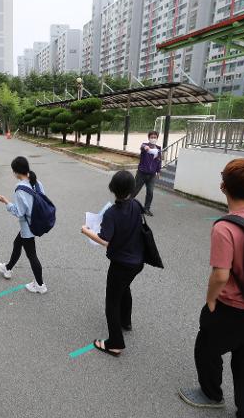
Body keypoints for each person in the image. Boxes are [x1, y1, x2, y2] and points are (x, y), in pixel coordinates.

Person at [178, 158, 244, 418]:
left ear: (223, 186)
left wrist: (211, 301)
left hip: (235, 308)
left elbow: (220, 275)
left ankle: (211, 395)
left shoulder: (225, 227)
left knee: (206, 348)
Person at [81, 170, 145, 356]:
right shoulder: (136, 204)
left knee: (112, 302)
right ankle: (126, 321)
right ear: (132, 188)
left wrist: (85, 230)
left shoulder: (112, 213)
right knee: (125, 288)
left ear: (112, 188)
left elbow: (104, 240)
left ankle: (115, 343)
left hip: (121, 263)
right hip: (137, 261)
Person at [0, 156, 47, 294]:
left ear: (16, 172)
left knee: (31, 255)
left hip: (28, 226)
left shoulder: (20, 189)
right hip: (37, 222)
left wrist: (6, 201)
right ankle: (8, 268)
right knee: (17, 243)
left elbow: (19, 212)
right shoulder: (36, 182)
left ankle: (40, 285)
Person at [132, 131, 161, 216]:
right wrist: (146, 147)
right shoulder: (145, 146)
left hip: (152, 175)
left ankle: (146, 209)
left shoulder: (158, 149)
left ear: (157, 138)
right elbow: (142, 146)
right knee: (135, 190)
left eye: (155, 137)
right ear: (149, 138)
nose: (153, 139)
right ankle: (125, 205)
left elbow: (159, 161)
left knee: (150, 192)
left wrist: (158, 171)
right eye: (151, 137)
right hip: (142, 173)